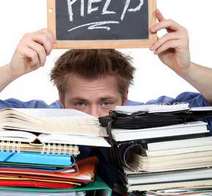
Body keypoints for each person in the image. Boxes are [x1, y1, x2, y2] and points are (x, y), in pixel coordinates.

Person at [0, 10, 212, 194]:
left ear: (125, 97)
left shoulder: (149, 119)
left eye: (106, 102)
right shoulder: (35, 122)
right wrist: (11, 71)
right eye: (80, 104)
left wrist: (187, 68)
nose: (94, 116)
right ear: (60, 100)